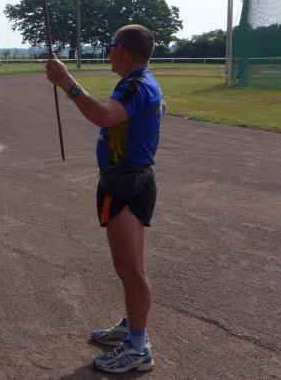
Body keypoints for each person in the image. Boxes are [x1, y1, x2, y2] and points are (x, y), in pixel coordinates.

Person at [45, 24, 164, 374]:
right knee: (127, 267)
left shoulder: (137, 84)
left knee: (131, 269)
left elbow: (105, 115)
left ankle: (138, 348)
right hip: (123, 179)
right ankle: (132, 327)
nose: (108, 52)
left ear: (123, 50)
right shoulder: (135, 82)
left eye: (111, 46)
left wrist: (67, 83)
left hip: (128, 182)